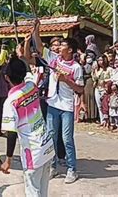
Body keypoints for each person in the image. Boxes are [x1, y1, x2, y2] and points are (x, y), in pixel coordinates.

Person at [28, 20, 84, 184]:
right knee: (51, 136)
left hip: (66, 107)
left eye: (63, 46)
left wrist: (66, 80)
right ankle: (52, 166)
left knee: (67, 139)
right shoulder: (54, 59)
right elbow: (39, 46)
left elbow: (80, 89)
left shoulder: (76, 67)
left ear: (70, 50)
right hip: (53, 104)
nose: (59, 48)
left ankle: (72, 169)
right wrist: (36, 29)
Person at [0, 56, 54, 197]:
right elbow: (28, 72)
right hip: (47, 145)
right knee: (43, 190)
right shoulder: (32, 86)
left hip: (33, 152)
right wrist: (21, 56)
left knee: (32, 191)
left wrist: (8, 159)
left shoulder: (11, 102)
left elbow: (11, 133)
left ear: (6, 77)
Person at [92, 55, 113, 125]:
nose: (100, 62)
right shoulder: (97, 69)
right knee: (99, 105)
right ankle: (102, 121)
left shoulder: (109, 69)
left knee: (106, 105)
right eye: (99, 60)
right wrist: (94, 71)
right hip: (98, 88)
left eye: (101, 60)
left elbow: (112, 78)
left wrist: (106, 81)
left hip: (105, 88)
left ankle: (109, 121)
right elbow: (94, 78)